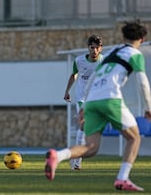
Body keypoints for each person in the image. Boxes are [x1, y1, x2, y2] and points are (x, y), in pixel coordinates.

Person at [45, 20, 151, 191]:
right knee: (134, 137)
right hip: (110, 99)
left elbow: (94, 77)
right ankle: (122, 178)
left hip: (92, 101)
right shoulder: (134, 54)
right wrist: (149, 107)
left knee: (91, 147)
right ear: (143, 38)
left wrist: (85, 105)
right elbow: (143, 82)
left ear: (123, 37)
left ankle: (58, 155)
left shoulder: (114, 51)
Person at [63, 35, 103, 170]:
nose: (95, 50)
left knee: (89, 129)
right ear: (88, 48)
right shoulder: (79, 60)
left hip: (97, 98)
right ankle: (77, 163)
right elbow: (74, 75)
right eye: (92, 47)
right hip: (82, 99)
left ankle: (73, 157)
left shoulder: (104, 62)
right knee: (83, 125)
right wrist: (67, 91)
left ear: (100, 48)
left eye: (97, 48)